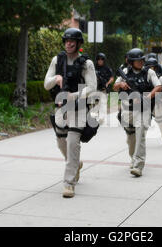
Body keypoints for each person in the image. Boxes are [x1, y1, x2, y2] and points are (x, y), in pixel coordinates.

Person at [44, 28, 97, 198]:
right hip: (62, 106)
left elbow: (92, 88)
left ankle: (69, 184)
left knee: (73, 142)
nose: (69, 43)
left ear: (79, 43)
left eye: (72, 40)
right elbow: (46, 84)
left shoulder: (86, 63)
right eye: (66, 40)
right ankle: (76, 164)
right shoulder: (57, 60)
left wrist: (73, 95)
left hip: (79, 107)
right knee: (62, 142)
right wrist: (56, 79)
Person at [113, 48, 162, 177]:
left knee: (140, 136)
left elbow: (158, 87)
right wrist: (121, 85)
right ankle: (133, 158)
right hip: (127, 110)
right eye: (137, 60)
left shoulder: (149, 72)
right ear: (130, 62)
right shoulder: (124, 72)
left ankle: (138, 165)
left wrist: (147, 97)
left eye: (142, 60)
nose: (140, 62)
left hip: (143, 109)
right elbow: (114, 86)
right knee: (131, 139)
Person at [145, 57, 162, 146]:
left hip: (157, 100)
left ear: (155, 67)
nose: (150, 69)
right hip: (147, 99)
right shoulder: (146, 76)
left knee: (160, 120)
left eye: (152, 67)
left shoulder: (161, 78)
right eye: (148, 67)